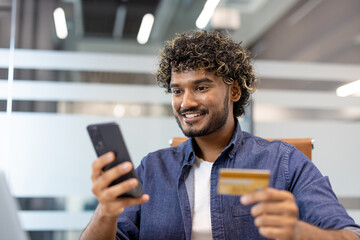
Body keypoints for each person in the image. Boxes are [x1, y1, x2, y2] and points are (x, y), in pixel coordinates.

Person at [80, 30, 360, 240]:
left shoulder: (283, 163)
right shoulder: (152, 170)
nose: (185, 102)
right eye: (177, 90)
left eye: (201, 87)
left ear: (234, 91)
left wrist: (299, 231)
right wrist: (106, 211)